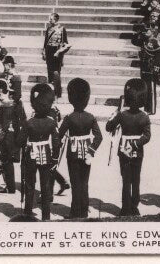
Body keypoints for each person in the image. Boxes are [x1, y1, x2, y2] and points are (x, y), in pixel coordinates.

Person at [58, 78, 103, 219]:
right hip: (86, 154)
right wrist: (91, 151)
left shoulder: (69, 118)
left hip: (72, 153)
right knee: (84, 183)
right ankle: (83, 211)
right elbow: (99, 137)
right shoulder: (90, 117)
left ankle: (74, 212)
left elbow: (58, 135)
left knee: (75, 183)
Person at [106, 78, 151, 216]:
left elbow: (109, 127)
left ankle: (125, 207)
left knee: (126, 180)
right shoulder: (144, 117)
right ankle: (134, 206)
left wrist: (113, 117)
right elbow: (147, 136)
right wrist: (136, 144)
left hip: (124, 151)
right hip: (138, 152)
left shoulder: (122, 115)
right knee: (136, 179)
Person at [18, 83, 61, 221]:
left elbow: (19, 141)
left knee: (30, 185)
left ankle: (28, 213)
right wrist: (55, 159)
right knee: (46, 186)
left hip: (31, 155)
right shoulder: (51, 122)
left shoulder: (28, 122)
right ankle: (46, 216)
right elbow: (56, 142)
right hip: (46, 154)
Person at [42, 13, 70, 99]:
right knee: (49, 70)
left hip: (57, 52)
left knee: (56, 72)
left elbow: (65, 42)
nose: (49, 20)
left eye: (51, 19)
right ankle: (50, 91)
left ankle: (58, 92)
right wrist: (43, 51)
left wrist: (61, 52)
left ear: (56, 20)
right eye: (49, 19)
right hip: (49, 51)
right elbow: (45, 41)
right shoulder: (48, 29)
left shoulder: (62, 29)